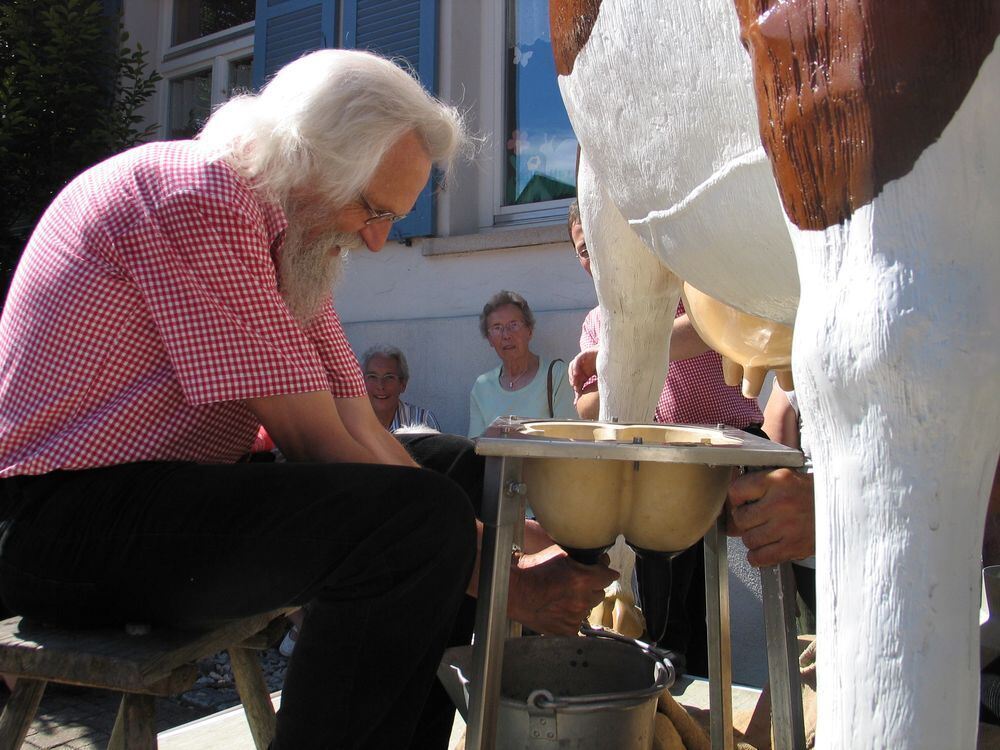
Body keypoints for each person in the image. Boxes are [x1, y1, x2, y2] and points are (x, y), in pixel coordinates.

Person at [0, 49, 616, 750]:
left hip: (162, 493)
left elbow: (356, 421)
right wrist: (510, 582)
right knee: (419, 526)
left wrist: (526, 545)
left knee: (457, 472)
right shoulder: (198, 194)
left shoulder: (291, 234)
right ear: (306, 158)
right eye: (372, 209)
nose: (379, 240)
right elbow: (314, 440)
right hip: (58, 523)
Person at [567, 201, 764, 676]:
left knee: (753, 567)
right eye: (585, 248)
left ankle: (703, 678)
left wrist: (618, 351)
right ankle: (672, 674)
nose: (597, 256)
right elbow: (590, 409)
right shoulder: (598, 320)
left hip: (732, 441)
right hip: (664, 461)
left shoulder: (685, 287)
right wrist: (597, 377)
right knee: (667, 578)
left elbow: (710, 328)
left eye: (606, 243)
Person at [468, 290, 576, 437]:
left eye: (514, 324)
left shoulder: (558, 375)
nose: (506, 335)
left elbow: (569, 438)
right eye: (497, 328)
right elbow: (476, 450)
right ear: (489, 340)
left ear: (529, 331)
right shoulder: (482, 387)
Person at [361, 344, 442, 432]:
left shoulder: (423, 420)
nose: (381, 386)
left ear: (403, 384)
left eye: (389, 377)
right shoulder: (351, 421)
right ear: (361, 382)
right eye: (373, 377)